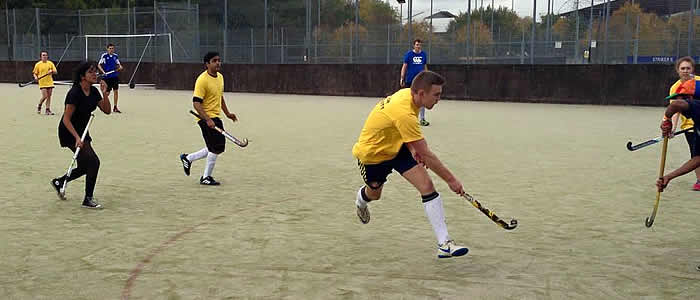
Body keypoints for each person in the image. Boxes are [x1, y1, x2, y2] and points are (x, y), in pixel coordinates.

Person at [352, 70, 469, 258]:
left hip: (398, 148)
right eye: (436, 95)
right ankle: (361, 199)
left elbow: (404, 134)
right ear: (422, 93)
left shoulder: (409, 95)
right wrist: (452, 181)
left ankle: (444, 243)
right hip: (373, 155)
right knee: (374, 194)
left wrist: (412, 149)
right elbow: (427, 155)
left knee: (427, 186)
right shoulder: (404, 111)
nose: (439, 99)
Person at [50, 61, 111, 209]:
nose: (95, 74)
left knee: (85, 166)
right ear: (82, 76)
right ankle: (88, 199)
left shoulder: (94, 92)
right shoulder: (74, 93)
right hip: (69, 131)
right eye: (91, 72)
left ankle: (59, 182)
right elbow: (66, 118)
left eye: (95, 72)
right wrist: (76, 138)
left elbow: (107, 110)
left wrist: (104, 93)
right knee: (94, 162)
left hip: (83, 131)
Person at [179, 52, 238, 186]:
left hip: (216, 116)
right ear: (207, 64)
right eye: (214, 61)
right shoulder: (202, 80)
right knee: (216, 147)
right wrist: (207, 119)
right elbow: (196, 103)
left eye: (219, 60)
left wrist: (228, 113)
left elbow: (219, 96)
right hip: (205, 117)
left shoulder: (220, 77)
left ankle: (188, 158)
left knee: (217, 147)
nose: (218, 63)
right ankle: (206, 177)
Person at [668, 56, 700, 190]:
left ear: (693, 69)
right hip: (689, 126)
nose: (685, 71)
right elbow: (675, 108)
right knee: (696, 154)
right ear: (678, 70)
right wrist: (671, 126)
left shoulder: (698, 83)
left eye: (688, 68)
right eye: (683, 68)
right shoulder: (675, 88)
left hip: (697, 122)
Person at [401, 39, 429, 126]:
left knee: (422, 98)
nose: (418, 46)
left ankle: (422, 119)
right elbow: (404, 67)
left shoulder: (423, 54)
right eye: (417, 45)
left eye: (420, 45)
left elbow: (425, 67)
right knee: (409, 99)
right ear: (414, 45)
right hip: (410, 80)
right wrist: (402, 78)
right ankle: (407, 118)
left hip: (421, 81)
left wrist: (427, 77)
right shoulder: (409, 55)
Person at [98, 43, 124, 113]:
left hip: (114, 76)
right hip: (107, 77)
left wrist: (120, 67)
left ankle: (115, 107)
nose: (111, 50)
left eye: (112, 48)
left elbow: (118, 64)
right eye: (110, 48)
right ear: (107, 49)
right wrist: (103, 72)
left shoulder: (115, 56)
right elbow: (99, 65)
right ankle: (102, 104)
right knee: (107, 93)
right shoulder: (104, 56)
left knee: (116, 91)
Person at [33, 50, 57, 115]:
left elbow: (55, 72)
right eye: (43, 55)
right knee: (45, 96)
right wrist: (35, 77)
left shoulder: (50, 63)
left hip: (50, 82)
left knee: (49, 96)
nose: (45, 56)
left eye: (46, 55)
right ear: (41, 57)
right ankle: (39, 105)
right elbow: (35, 73)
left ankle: (47, 110)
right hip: (42, 82)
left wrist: (51, 71)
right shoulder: (38, 64)